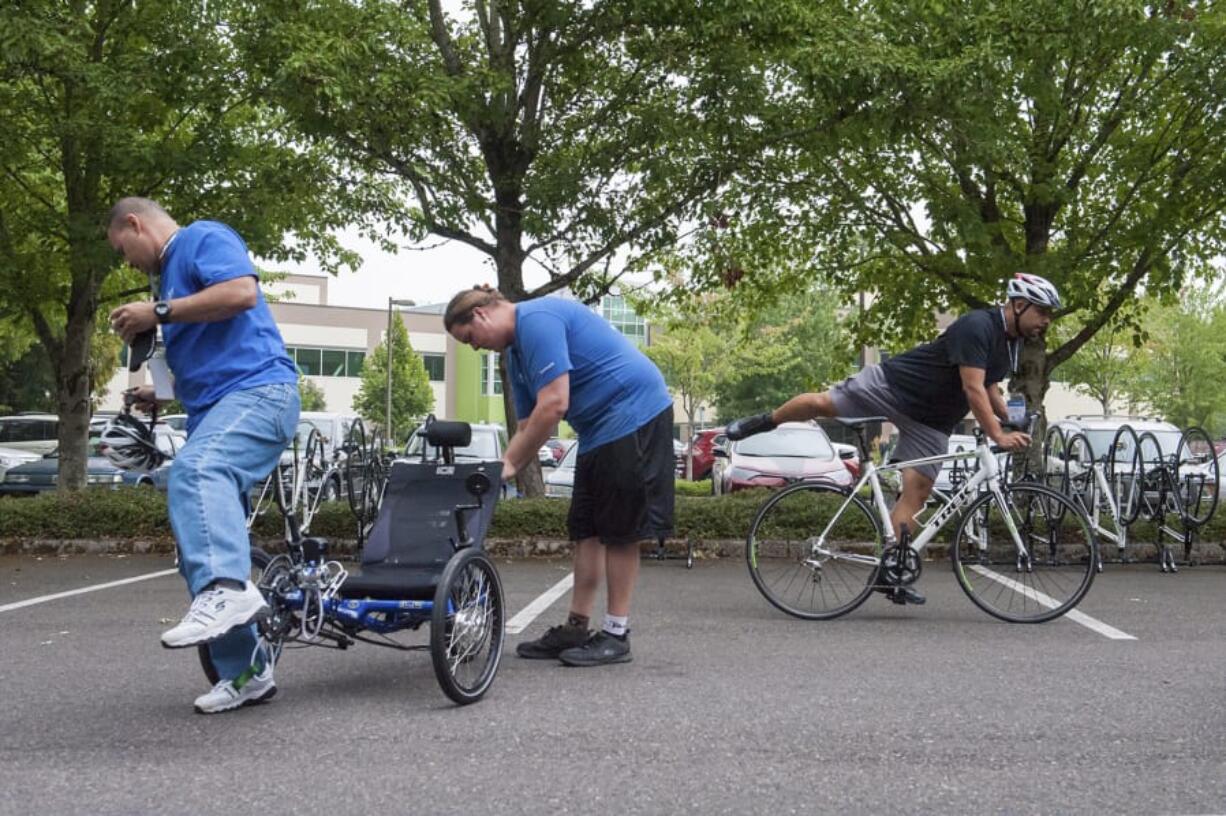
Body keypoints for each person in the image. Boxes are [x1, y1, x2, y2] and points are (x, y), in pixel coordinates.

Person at [725, 273, 1061, 604]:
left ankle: (890, 571)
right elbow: (972, 388)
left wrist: (1013, 420)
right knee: (823, 404)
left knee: (916, 495)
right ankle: (763, 421)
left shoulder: (1009, 345)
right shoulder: (977, 326)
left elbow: (990, 390)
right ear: (1018, 304)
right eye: (1042, 312)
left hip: (932, 421)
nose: (1046, 321)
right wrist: (997, 435)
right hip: (894, 387)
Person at [106, 197, 300, 713]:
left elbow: (240, 293)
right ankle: (247, 673)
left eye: (123, 250)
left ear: (135, 224)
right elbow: (213, 349)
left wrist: (160, 311)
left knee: (196, 471)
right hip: (218, 407)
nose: (125, 262)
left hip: (261, 395)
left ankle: (227, 590)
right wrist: (161, 394)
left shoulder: (200, 238)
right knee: (197, 544)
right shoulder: (168, 276)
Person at [444, 286, 674, 667]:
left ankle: (617, 634)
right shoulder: (515, 356)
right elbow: (527, 425)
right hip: (598, 430)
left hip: (635, 413)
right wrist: (503, 467)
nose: (474, 348)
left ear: (481, 315)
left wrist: (508, 467)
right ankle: (577, 626)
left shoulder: (536, 320)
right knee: (585, 527)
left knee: (620, 529)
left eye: (469, 339)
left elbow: (554, 404)